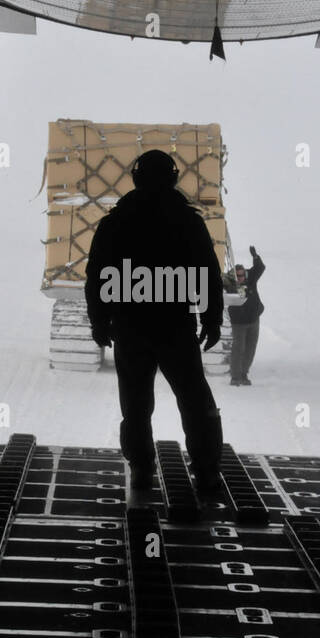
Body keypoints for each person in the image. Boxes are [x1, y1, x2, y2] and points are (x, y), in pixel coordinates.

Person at [85, 149, 226, 499]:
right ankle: (207, 472)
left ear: (136, 178)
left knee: (135, 404)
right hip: (174, 325)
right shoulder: (188, 221)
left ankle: (142, 469)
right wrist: (211, 319)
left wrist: (100, 321)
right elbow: (208, 274)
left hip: (131, 326)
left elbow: (97, 277)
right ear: (173, 178)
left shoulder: (115, 222)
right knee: (194, 400)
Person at [227, 246, 265, 385]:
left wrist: (255, 257)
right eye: (238, 276)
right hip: (238, 322)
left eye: (242, 275)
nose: (240, 278)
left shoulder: (251, 278)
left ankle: (244, 374)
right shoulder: (229, 282)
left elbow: (260, 268)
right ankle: (235, 376)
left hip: (254, 319)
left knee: (250, 348)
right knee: (238, 348)